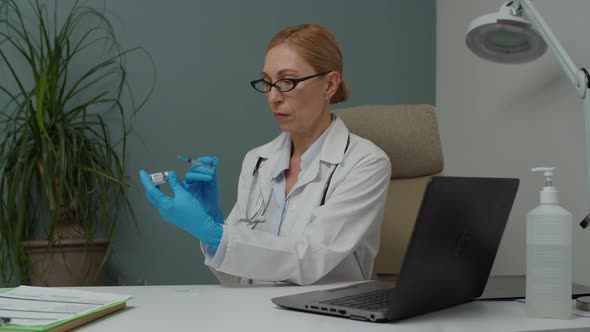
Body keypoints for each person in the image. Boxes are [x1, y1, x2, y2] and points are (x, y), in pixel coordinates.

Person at [139, 24, 391, 285]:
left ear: (329, 84)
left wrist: (215, 234)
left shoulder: (365, 164)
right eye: (268, 82)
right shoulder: (258, 160)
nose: (273, 97)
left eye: (287, 82)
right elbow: (238, 278)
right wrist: (213, 224)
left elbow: (311, 259)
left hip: (326, 319)